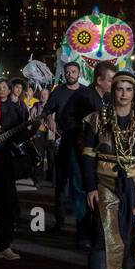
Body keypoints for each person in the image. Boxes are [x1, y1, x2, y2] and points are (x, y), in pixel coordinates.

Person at [82, 69, 135, 269]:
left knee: (131, 234)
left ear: (134, 92)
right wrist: (90, 187)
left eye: (128, 89)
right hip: (105, 181)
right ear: (112, 91)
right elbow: (88, 154)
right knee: (103, 233)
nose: (123, 94)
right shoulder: (97, 118)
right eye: (119, 89)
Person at [0, 77, 28, 259]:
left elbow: (22, 133)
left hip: (6, 162)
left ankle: (5, 246)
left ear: (9, 90)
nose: (1, 89)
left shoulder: (17, 108)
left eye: (4, 87)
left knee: (8, 204)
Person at [41, 61, 88, 234]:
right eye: (67, 72)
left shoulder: (85, 92)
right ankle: (59, 222)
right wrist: (49, 117)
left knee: (80, 184)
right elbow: (46, 109)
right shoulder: (58, 91)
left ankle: (82, 225)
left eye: (73, 71)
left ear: (79, 73)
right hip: (64, 140)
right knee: (61, 184)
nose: (70, 74)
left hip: (82, 143)